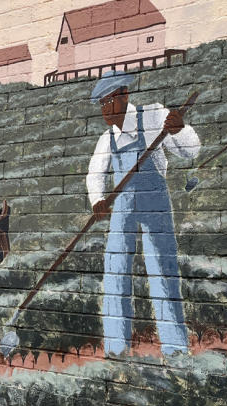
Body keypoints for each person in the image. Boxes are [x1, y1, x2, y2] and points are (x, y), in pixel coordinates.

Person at [86, 70, 200, 357]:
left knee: (162, 269)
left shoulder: (153, 117)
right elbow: (94, 174)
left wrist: (179, 129)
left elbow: (192, 150)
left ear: (123, 96)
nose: (104, 111)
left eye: (108, 102)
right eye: (101, 105)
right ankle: (115, 347)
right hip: (122, 209)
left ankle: (175, 348)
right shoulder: (107, 138)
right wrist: (98, 201)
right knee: (115, 271)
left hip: (155, 205)